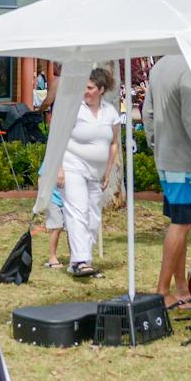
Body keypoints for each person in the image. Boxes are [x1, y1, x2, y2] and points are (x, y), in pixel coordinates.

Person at [144, 53, 191, 309]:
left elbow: (148, 112)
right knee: (182, 224)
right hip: (188, 159)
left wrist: (154, 143)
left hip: (165, 156)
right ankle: (163, 291)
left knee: (179, 222)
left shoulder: (160, 66)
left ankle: (181, 288)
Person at [60, 67, 122, 279]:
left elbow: (113, 144)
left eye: (89, 88)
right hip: (73, 165)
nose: (85, 91)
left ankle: (80, 260)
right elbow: (58, 139)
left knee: (93, 217)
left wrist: (108, 170)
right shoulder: (75, 108)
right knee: (78, 210)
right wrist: (58, 168)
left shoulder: (110, 112)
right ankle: (80, 261)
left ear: (101, 89)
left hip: (96, 172)